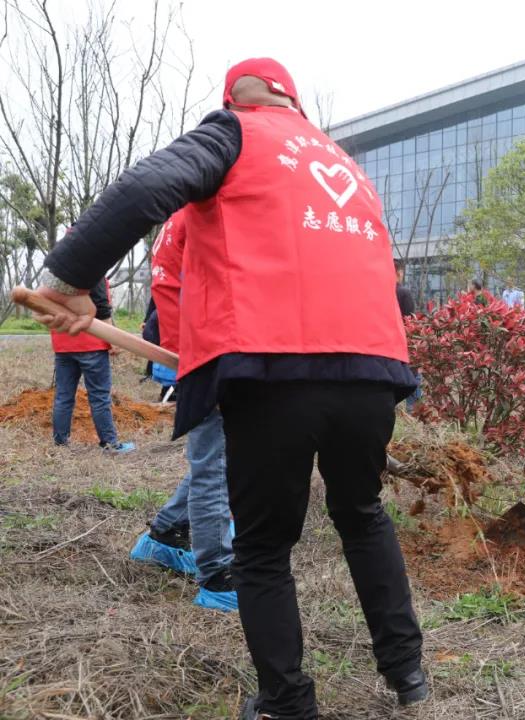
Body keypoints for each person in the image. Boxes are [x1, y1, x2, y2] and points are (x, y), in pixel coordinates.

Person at [34, 58, 427, 717]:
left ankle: (286, 701)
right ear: (295, 104)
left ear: (236, 100)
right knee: (362, 514)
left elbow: (144, 190)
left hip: (277, 368)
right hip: (374, 369)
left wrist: (68, 277)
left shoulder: (236, 133)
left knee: (264, 546)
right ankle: (408, 674)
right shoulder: (347, 168)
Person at [129, 207, 237, 612]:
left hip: (199, 349)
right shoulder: (206, 214)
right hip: (212, 350)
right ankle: (219, 577)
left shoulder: (182, 216)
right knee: (215, 463)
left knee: (213, 456)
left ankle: (164, 535)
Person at [49, 276, 135, 453]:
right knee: (99, 397)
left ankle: (60, 442)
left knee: (63, 396)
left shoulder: (56, 272)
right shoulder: (92, 270)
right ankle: (110, 445)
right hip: (91, 343)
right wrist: (113, 340)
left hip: (63, 342)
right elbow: (102, 307)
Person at [395, 259, 421, 412]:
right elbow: (410, 323)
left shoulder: (379, 291)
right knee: (414, 378)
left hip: (384, 349)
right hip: (404, 345)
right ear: (399, 273)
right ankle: (414, 411)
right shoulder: (403, 293)